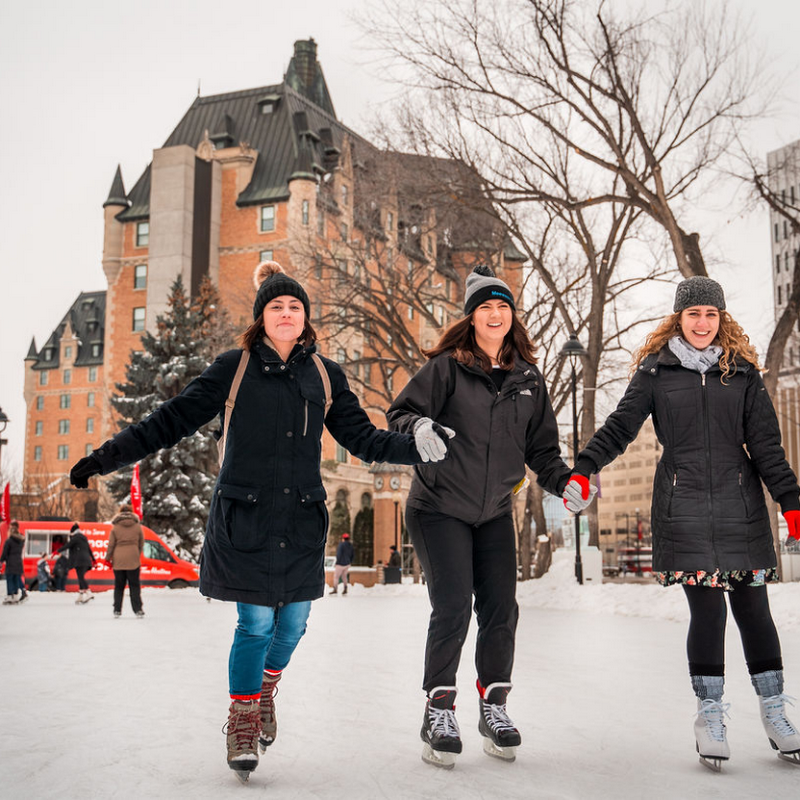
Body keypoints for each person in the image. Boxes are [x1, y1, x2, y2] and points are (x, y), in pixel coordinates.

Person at [68, 261, 450, 782]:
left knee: (293, 624)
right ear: (261, 318)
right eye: (276, 306)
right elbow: (171, 419)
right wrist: (103, 458)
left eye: (295, 306)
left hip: (300, 519)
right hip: (245, 517)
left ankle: (265, 687)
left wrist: (416, 448)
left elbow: (363, 438)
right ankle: (244, 718)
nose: (286, 313)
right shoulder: (235, 367)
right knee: (255, 623)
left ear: (306, 317)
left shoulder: (325, 375)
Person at [568, 276, 800, 770]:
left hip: (741, 509)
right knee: (709, 614)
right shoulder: (655, 373)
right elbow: (620, 427)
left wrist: (791, 500)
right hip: (684, 506)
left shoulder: (742, 375)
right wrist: (585, 467)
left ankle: (776, 712)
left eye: (711, 314)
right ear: (679, 318)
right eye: (693, 314)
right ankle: (710, 715)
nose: (702, 322)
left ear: (722, 320)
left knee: (755, 612)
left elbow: (766, 447)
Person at [387, 264, 592, 768]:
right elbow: (400, 413)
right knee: (454, 605)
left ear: (511, 315)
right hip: (437, 508)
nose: (495, 314)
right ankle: (438, 708)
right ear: (471, 317)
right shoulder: (446, 369)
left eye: (502, 306)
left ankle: (493, 705)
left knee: (501, 607)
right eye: (485, 307)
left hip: (495, 511)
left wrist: (564, 480)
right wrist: (420, 429)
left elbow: (542, 450)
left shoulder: (528, 379)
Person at [107, 504, 145, 618]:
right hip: (133, 559)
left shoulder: (115, 527)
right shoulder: (137, 526)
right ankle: (138, 609)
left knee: (119, 586)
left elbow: (111, 545)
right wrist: (136, 553)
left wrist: (107, 558)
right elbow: (141, 543)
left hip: (118, 560)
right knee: (134, 585)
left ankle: (117, 610)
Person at [55, 523, 97, 604]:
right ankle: (81, 596)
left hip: (79, 561)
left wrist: (57, 551)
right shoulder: (83, 537)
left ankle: (89, 593)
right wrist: (94, 560)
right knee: (80, 577)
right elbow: (89, 549)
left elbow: (68, 545)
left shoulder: (75, 538)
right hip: (86, 560)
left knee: (81, 577)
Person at [1, 520, 26, 604]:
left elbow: (5, 552)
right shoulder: (21, 540)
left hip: (11, 562)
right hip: (18, 562)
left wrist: (1, 561)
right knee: (16, 579)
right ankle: (15, 595)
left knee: (10, 579)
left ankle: (10, 596)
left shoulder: (9, 541)